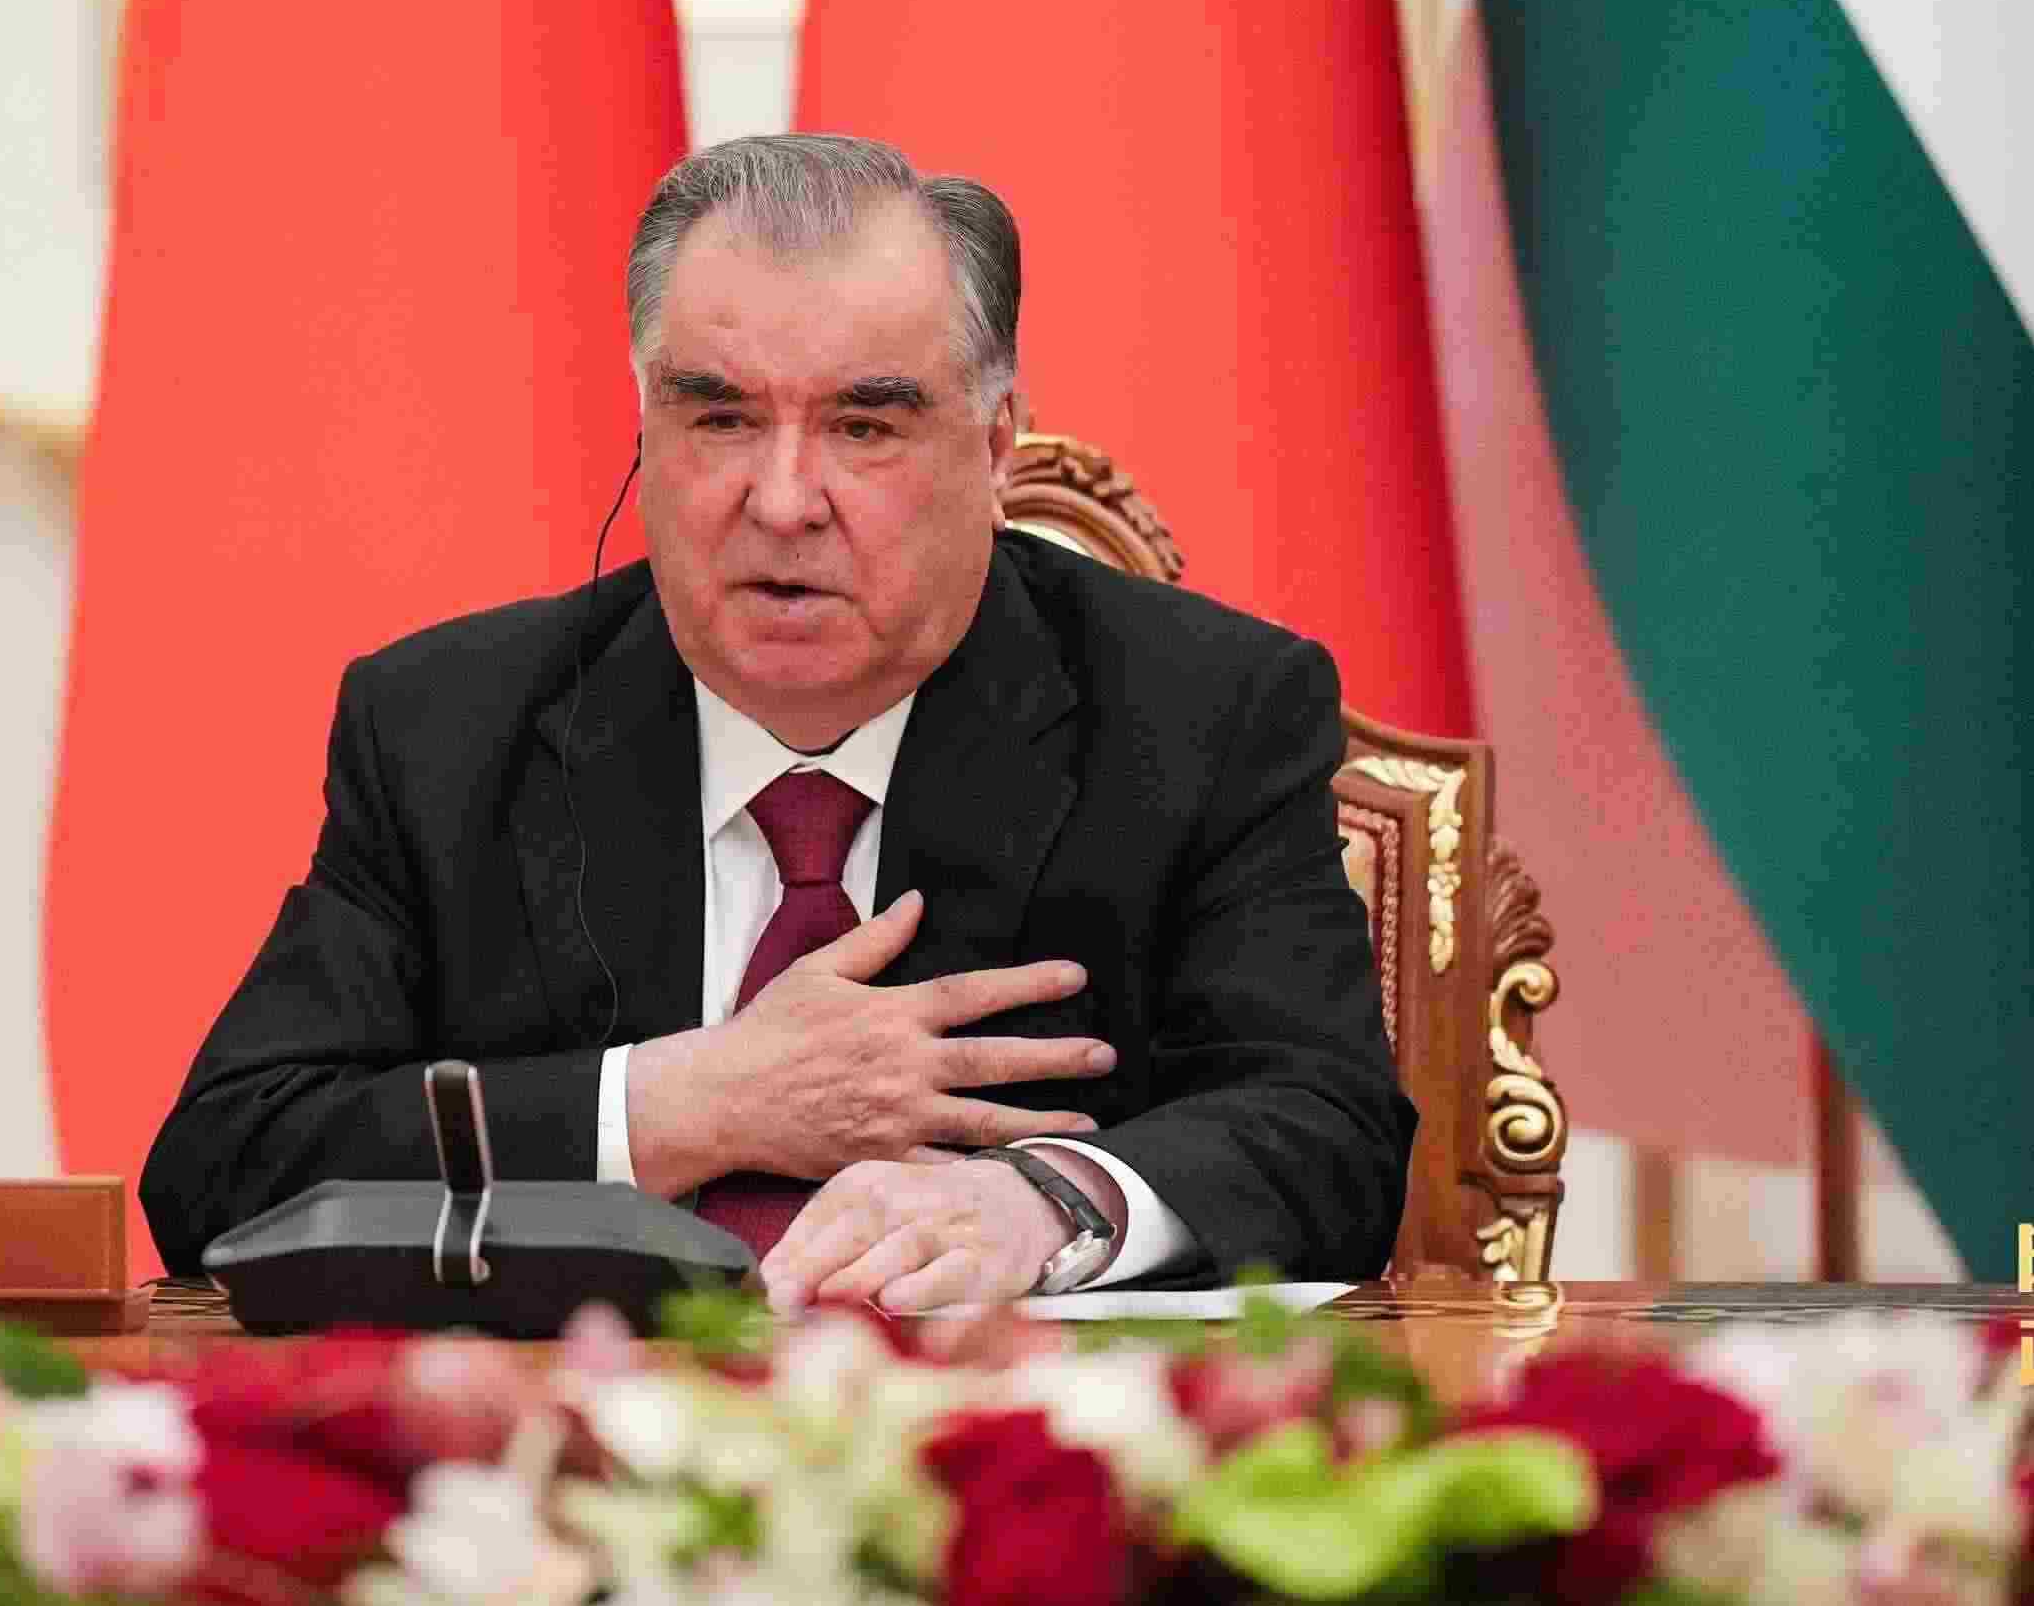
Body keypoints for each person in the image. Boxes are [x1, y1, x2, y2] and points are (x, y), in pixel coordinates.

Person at [142, 134, 1415, 1311]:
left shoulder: (1200, 714)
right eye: (721, 419)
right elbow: (228, 1167)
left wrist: (1044, 1204)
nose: (784, 500)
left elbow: (1332, 1135)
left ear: (994, 449)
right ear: (646, 432)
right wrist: (678, 1107)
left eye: (864, 427)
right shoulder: (445, 728)